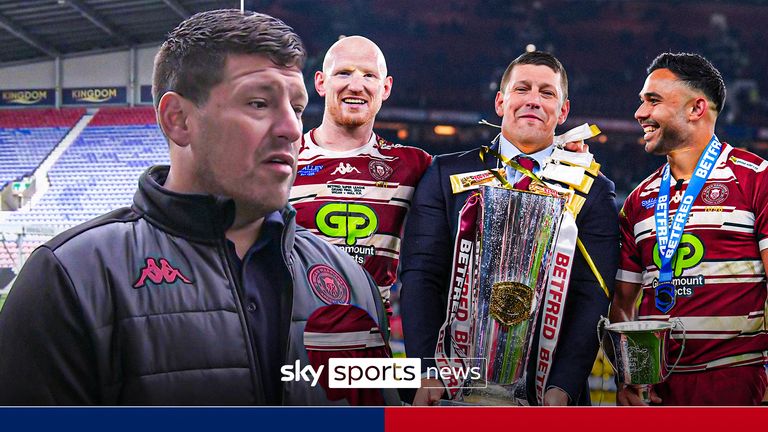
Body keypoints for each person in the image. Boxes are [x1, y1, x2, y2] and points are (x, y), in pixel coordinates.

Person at [0, 9, 397, 406]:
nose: (293, 129)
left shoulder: (350, 280)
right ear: (178, 120)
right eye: (259, 103)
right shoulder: (70, 278)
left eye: (296, 108)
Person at [399, 51, 619, 406]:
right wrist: (427, 370)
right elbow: (422, 275)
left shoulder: (592, 188)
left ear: (562, 111)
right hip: (450, 383)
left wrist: (561, 386)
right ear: (501, 102)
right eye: (523, 89)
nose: (533, 99)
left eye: (547, 93)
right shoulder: (444, 174)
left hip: (545, 393)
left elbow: (592, 296)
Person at [611, 52, 768, 406]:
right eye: (641, 102)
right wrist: (630, 376)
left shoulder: (756, 179)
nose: (639, 114)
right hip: (655, 389)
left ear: (696, 108)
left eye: (653, 101)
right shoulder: (639, 200)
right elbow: (623, 303)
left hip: (732, 380)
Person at [289, 36, 432, 314]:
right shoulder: (285, 159)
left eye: (369, 75)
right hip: (291, 346)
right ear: (320, 82)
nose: (356, 86)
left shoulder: (412, 164)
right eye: (343, 73)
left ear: (386, 87)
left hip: (369, 348)